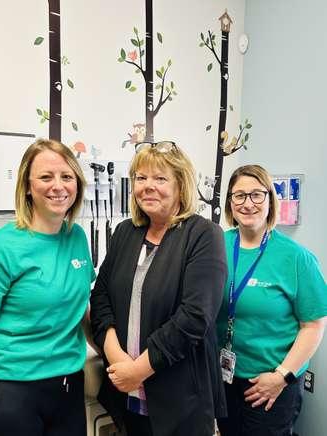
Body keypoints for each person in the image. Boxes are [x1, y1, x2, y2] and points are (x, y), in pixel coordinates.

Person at [90, 141, 228, 436]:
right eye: (141, 178)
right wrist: (117, 358)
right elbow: (100, 296)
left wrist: (138, 370)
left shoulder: (203, 234)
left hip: (180, 399)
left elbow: (195, 316)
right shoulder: (126, 232)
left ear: (181, 186)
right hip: (125, 395)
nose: (147, 186)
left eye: (160, 178)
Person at [0, 139, 96, 436]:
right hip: (8, 391)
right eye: (45, 177)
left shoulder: (76, 237)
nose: (58, 186)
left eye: (67, 177)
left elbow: (81, 309)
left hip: (67, 386)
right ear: (27, 186)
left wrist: (120, 357)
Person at [216, 164, 327, 436]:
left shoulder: (296, 257)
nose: (248, 203)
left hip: (271, 383)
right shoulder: (215, 245)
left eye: (256, 194)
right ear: (230, 202)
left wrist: (281, 376)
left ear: (270, 199)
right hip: (224, 377)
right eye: (239, 195)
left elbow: (313, 325)